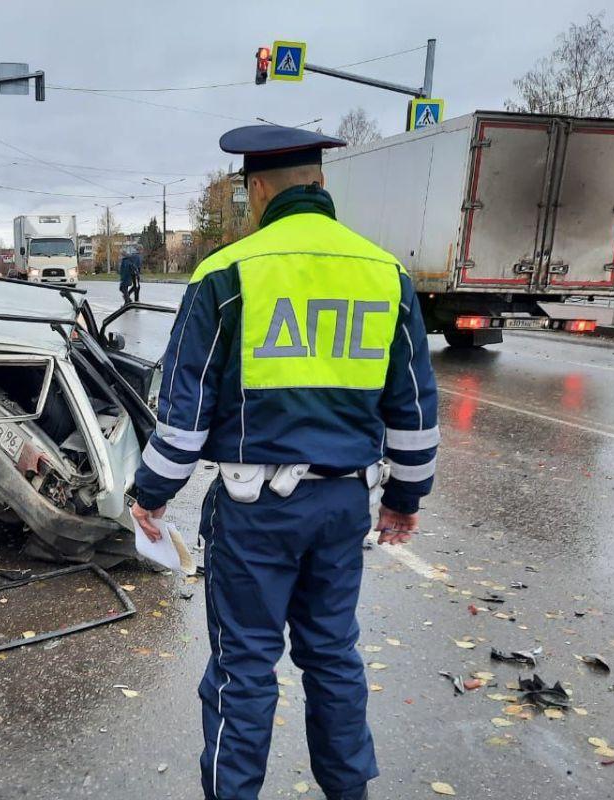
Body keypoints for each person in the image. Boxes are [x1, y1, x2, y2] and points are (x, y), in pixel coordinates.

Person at [130, 125, 439, 800]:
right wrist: (404, 500)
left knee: (244, 667)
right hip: (340, 509)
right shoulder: (385, 273)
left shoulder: (227, 274)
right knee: (333, 657)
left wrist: (150, 494)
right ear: (319, 184)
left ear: (259, 189)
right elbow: (414, 407)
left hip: (253, 512)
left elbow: (185, 419)